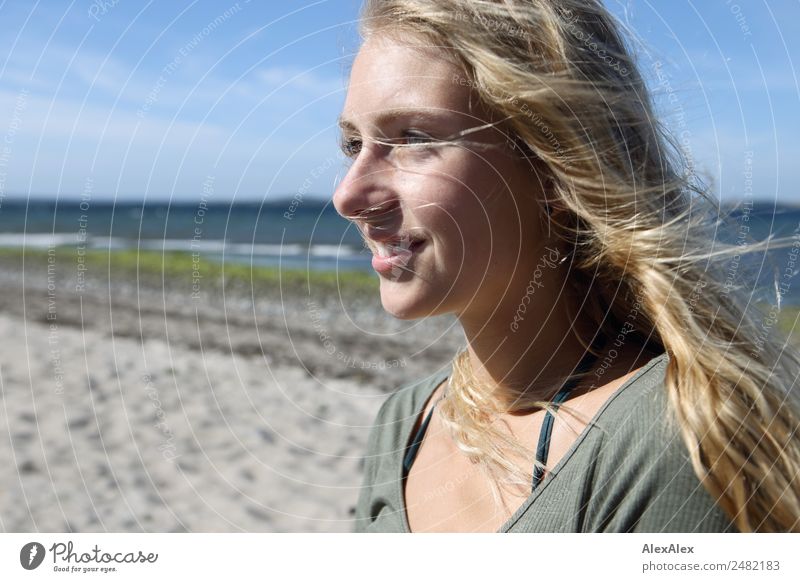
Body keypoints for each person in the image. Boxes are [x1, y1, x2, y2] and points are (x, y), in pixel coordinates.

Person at [332, 0, 800, 532]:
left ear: (554, 164)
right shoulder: (403, 426)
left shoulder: (667, 446)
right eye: (353, 144)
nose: (347, 195)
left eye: (414, 139)